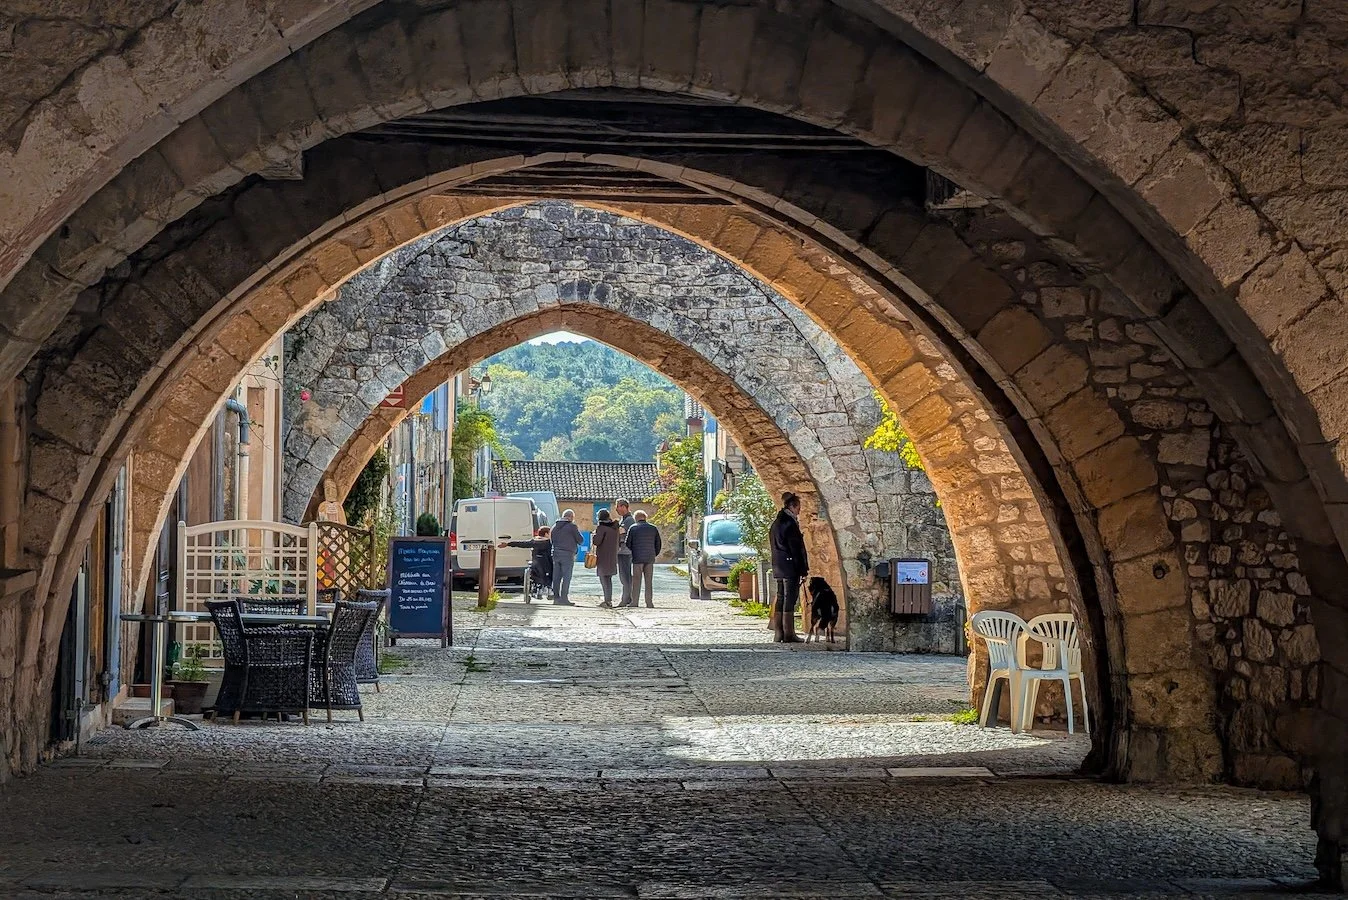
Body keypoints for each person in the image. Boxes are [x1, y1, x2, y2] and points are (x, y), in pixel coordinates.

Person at [769, 491, 808, 643]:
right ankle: (789, 633)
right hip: (790, 565)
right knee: (790, 598)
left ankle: (779, 633)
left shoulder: (776, 523)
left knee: (781, 597)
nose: (799, 511)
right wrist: (803, 569)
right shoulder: (790, 524)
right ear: (792, 506)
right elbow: (796, 548)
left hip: (779, 565)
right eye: (798, 507)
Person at [499, 525, 552, 601]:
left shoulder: (534, 541)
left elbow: (522, 544)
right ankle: (550, 590)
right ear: (546, 534)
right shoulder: (549, 543)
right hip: (547, 566)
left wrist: (508, 544)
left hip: (536, 565)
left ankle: (538, 589)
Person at [624, 510, 662, 608]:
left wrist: (634, 551)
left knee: (636, 581)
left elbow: (628, 543)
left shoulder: (633, 528)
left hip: (637, 558)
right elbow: (658, 543)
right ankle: (649, 602)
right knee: (648, 581)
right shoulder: (653, 528)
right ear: (645, 517)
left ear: (636, 518)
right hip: (650, 558)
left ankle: (635, 602)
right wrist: (654, 554)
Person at [548, 509, 583, 606]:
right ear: (571, 517)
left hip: (555, 553)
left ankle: (556, 598)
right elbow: (580, 540)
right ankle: (564, 598)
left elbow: (551, 541)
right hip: (567, 554)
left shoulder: (554, 527)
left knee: (556, 577)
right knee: (567, 577)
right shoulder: (572, 527)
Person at [592, 509, 620, 608]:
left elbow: (597, 541)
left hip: (603, 556)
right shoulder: (615, 528)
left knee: (603, 579)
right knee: (609, 579)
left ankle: (607, 600)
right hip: (612, 556)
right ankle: (609, 600)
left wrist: (594, 535)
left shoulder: (601, 528)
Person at [614, 498, 636, 607]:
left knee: (625, 576)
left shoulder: (629, 520)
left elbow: (623, 534)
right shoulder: (623, 519)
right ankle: (628, 598)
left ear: (623, 507)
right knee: (624, 576)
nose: (616, 509)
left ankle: (626, 599)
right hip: (622, 551)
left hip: (625, 552)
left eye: (617, 507)